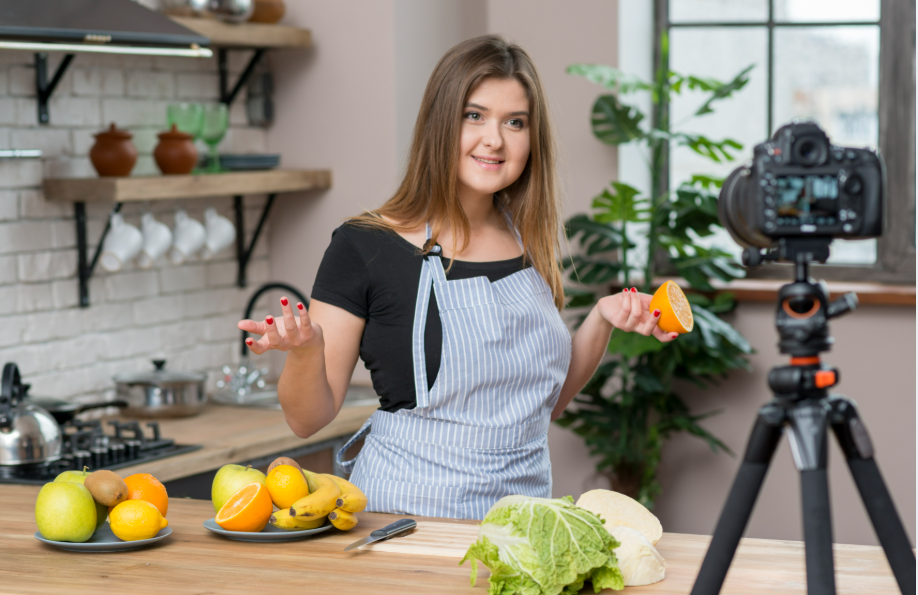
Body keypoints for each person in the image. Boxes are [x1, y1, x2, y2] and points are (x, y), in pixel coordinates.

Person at [237, 34, 677, 520]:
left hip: (522, 525)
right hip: (407, 522)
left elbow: (541, 408)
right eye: (475, 116)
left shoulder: (527, 240)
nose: (495, 139)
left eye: (515, 122)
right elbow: (306, 419)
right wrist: (304, 351)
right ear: (440, 122)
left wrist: (601, 319)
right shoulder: (364, 246)